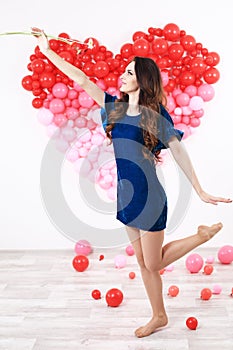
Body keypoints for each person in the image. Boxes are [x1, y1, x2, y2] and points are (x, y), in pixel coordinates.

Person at [32, 28, 232, 338]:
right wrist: (47, 51)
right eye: (124, 71)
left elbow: (178, 149)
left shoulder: (154, 116)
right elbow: (83, 80)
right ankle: (160, 315)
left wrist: (200, 190)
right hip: (124, 197)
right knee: (142, 261)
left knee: (154, 263)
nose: (122, 76)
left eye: (128, 72)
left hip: (150, 197)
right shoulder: (115, 109)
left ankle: (200, 237)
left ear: (142, 79)